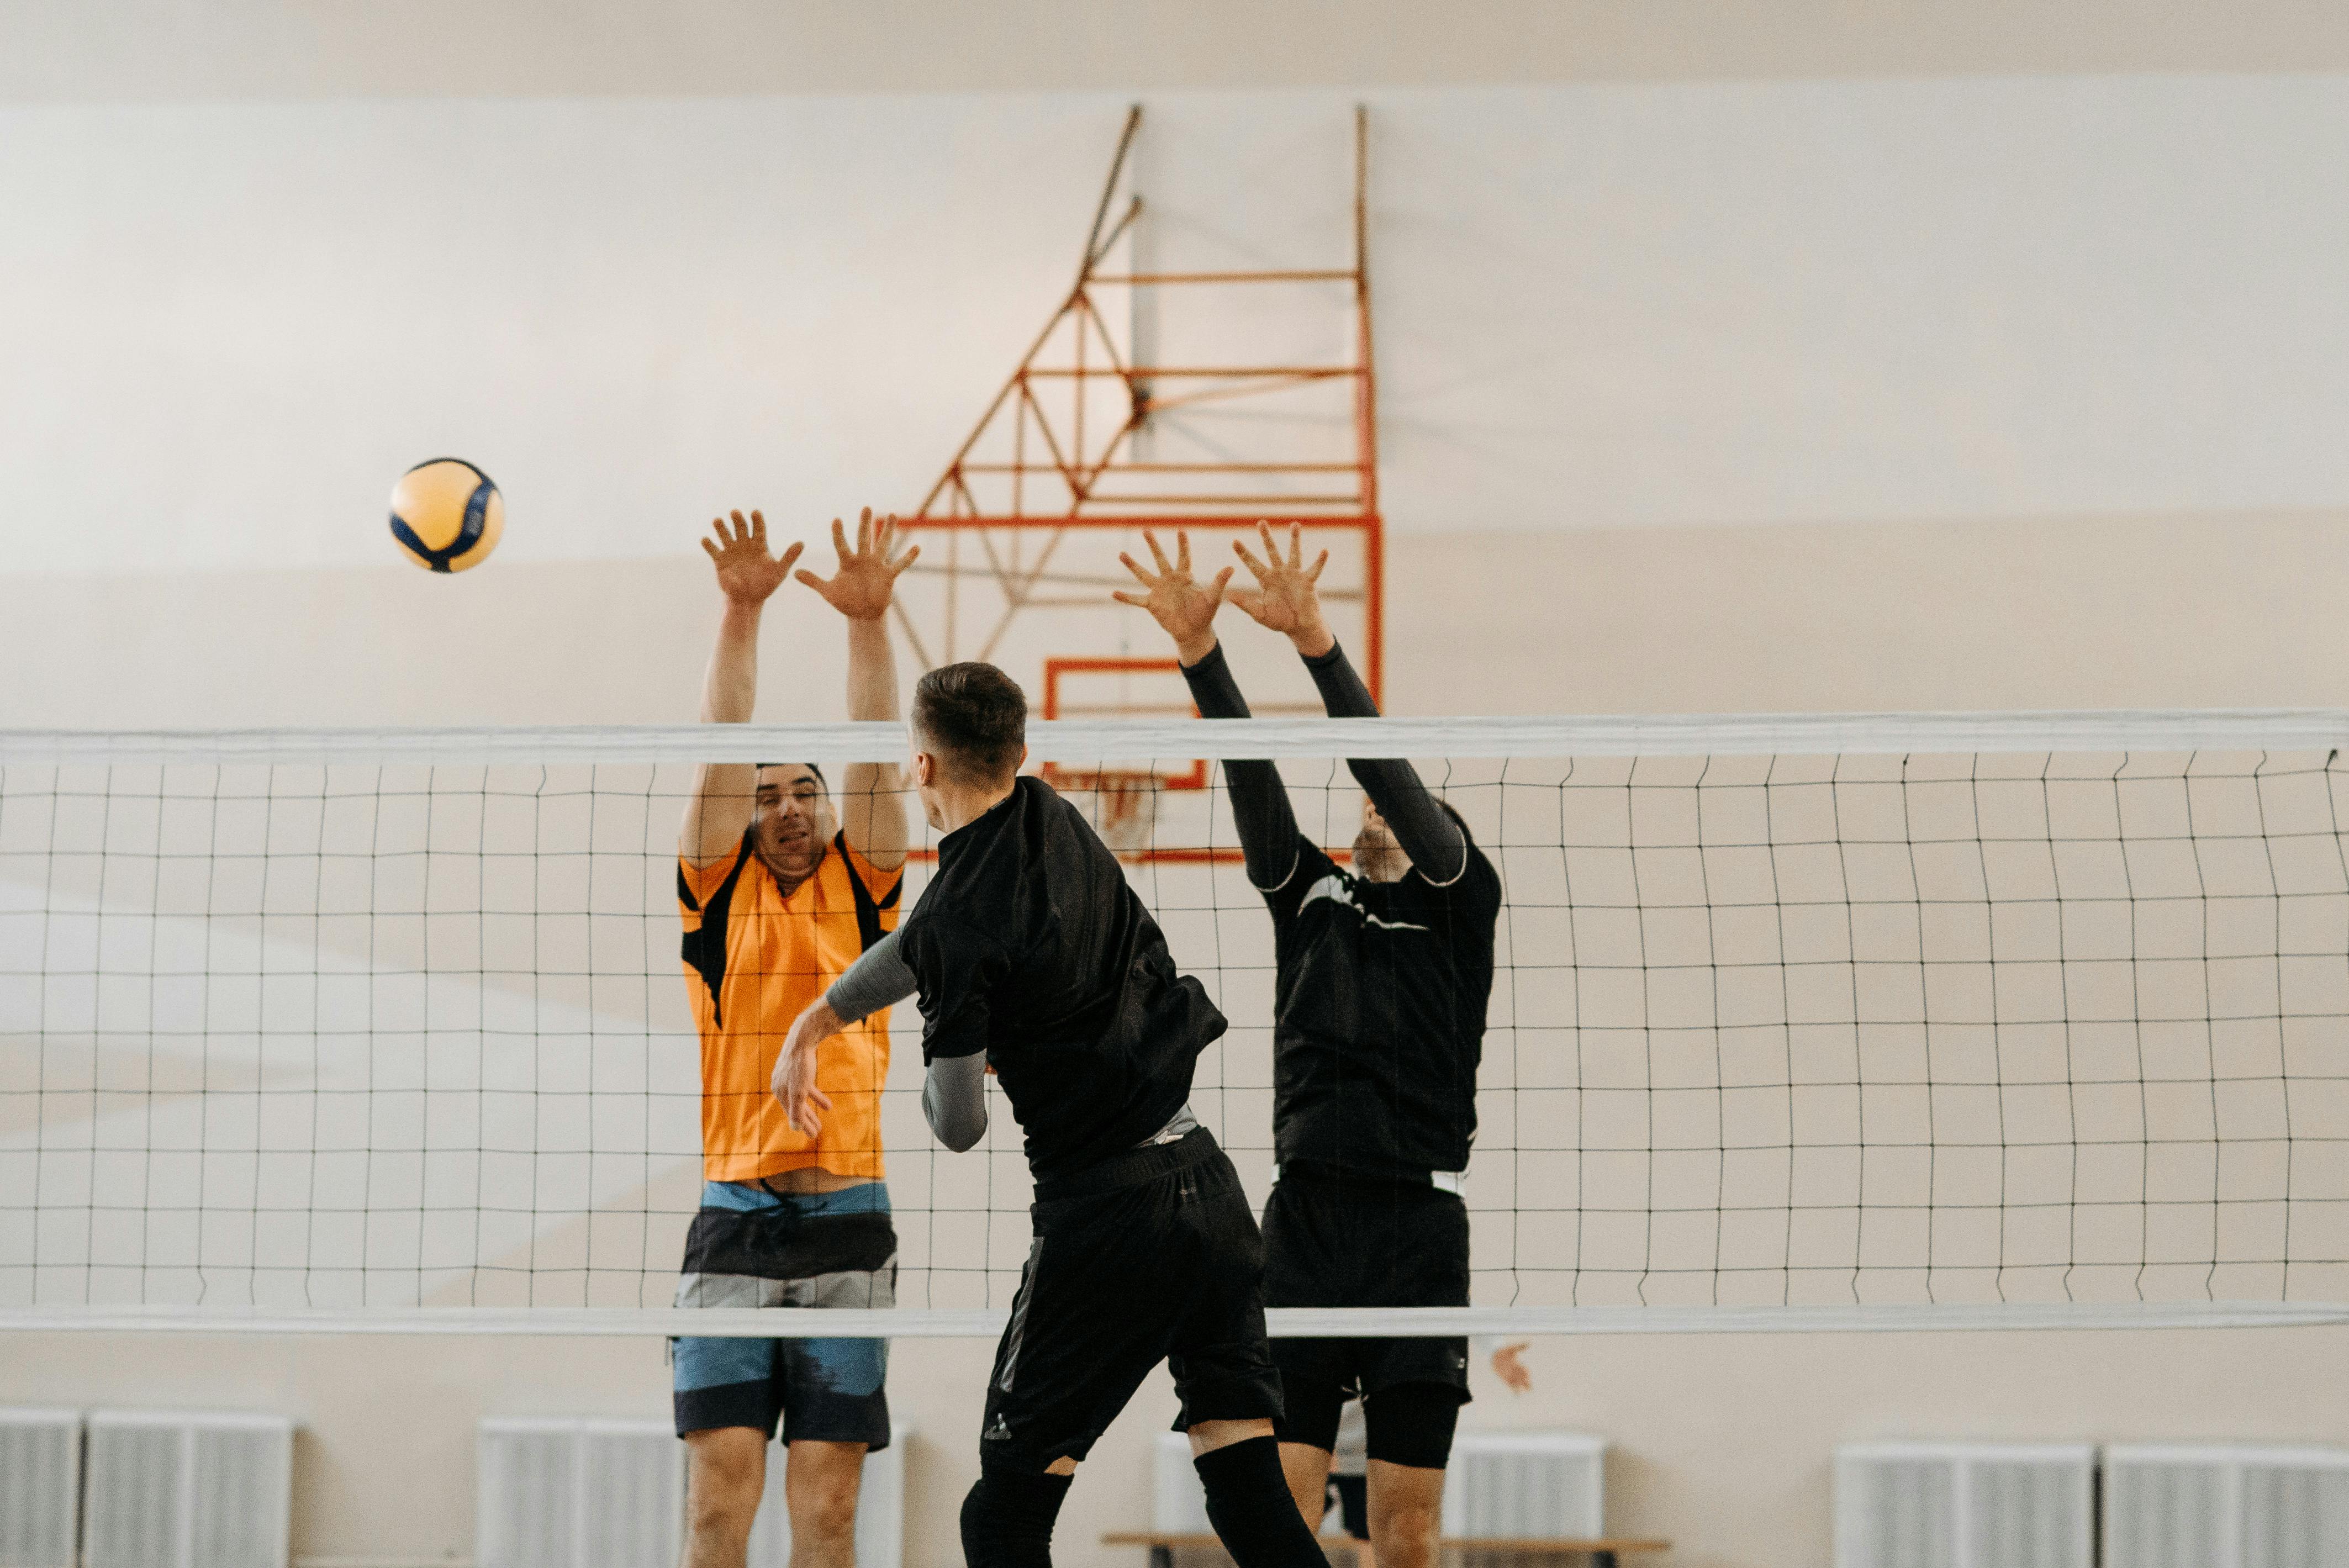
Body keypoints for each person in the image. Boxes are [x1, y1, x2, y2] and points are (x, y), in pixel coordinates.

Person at [773, 662, 1330, 1568]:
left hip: (1110, 1220)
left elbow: (958, 1127)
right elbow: (923, 940)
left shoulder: (959, 915)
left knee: (1001, 1517)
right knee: (1249, 1494)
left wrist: (945, 1047)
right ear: (1020, 752)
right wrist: (823, 1011)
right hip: (1210, 1197)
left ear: (918, 768)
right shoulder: (1050, 812)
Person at [1112, 524, 1506, 1568]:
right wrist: (1203, 655)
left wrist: (1318, 644)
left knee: (1404, 1530)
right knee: (1280, 1511)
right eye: (1365, 800)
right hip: (1305, 1223)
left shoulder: (1461, 905)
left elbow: (1388, 768)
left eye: (1400, 801)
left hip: (1418, 1233)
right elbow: (1256, 788)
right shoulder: (1311, 900)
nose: (1375, 802)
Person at [672, 507, 917, 1568]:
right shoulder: (714, 894)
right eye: (766, 797)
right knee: (718, 1511)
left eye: (803, 793)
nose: (785, 809)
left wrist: (869, 625)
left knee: (826, 1515)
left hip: (848, 1225)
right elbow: (722, 752)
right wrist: (741, 612)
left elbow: (877, 764)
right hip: (734, 1226)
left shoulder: (866, 890)